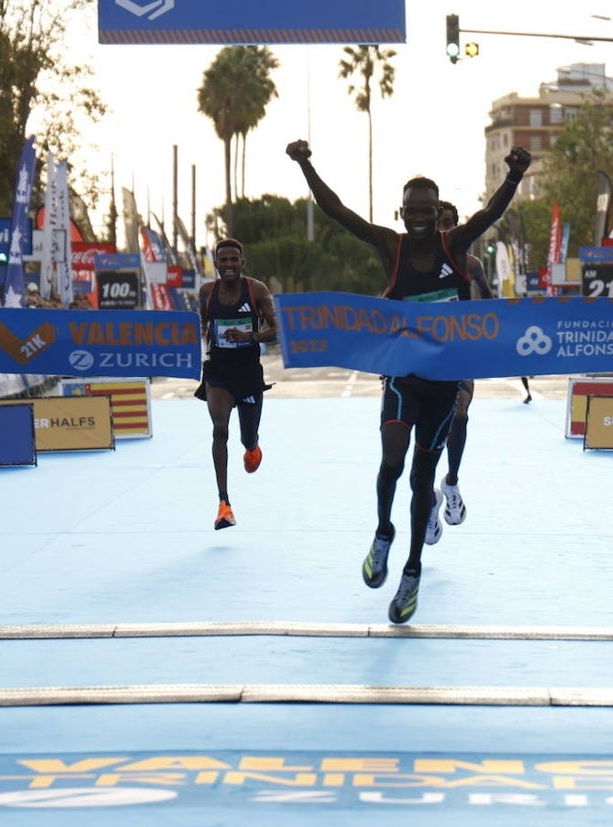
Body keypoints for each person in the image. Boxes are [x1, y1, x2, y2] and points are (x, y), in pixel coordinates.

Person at [286, 137, 531, 623]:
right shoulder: (389, 245)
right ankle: (383, 533)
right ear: (400, 214)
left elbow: (489, 214)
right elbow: (336, 211)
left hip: (443, 382)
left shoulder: (454, 245)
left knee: (422, 480)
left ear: (436, 209)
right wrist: (306, 165)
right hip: (402, 376)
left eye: (427, 209)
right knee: (391, 463)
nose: (419, 217)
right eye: (411, 210)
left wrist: (515, 176)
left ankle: (413, 569)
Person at [196, 238, 279, 531]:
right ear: (215, 263)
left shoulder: (256, 290)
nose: (229, 265)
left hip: (248, 375)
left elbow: (277, 329)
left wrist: (250, 337)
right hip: (218, 372)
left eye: (234, 260)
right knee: (220, 429)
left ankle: (253, 446)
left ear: (242, 264)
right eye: (223, 260)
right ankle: (224, 504)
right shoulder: (207, 292)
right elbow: (201, 327)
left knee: (246, 438)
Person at [432, 200, 495, 534]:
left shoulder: (471, 265)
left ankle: (452, 482)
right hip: (422, 353)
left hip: (459, 352)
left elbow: (491, 303)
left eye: (449, 224)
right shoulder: (415, 265)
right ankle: (428, 500)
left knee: (459, 409)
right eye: (439, 224)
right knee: (422, 427)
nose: (444, 230)